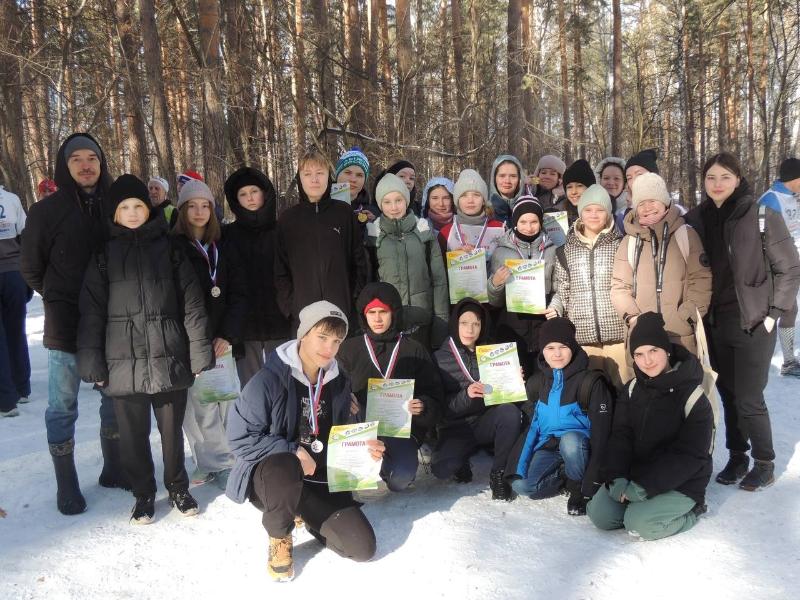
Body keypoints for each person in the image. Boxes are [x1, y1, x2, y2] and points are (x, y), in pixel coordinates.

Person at [77, 174, 214, 524]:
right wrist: (92, 362)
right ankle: (144, 494)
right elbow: (91, 312)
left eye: (138, 205)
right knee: (134, 437)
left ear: (149, 208)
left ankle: (178, 487)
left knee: (172, 433)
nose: (133, 212)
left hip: (168, 355)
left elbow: (192, 304)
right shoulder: (103, 255)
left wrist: (198, 352)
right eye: (125, 207)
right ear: (115, 213)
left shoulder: (169, 249)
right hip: (122, 361)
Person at [226, 301, 384, 581]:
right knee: (285, 466)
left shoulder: (338, 380)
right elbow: (239, 437)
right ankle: (279, 534)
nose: (329, 348)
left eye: (336, 341)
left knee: (362, 548)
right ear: (303, 335)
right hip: (273, 478)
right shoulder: (269, 380)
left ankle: (306, 513)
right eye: (322, 337)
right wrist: (292, 450)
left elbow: (341, 432)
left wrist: (364, 446)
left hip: (319, 478)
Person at [21, 133, 125, 515]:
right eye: (76, 159)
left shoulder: (117, 201)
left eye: (92, 158)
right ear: (64, 167)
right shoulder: (46, 211)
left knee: (114, 398)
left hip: (113, 320)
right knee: (62, 405)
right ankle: (66, 484)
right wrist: (58, 293)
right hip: (66, 323)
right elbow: (31, 267)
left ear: (101, 162)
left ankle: (114, 468)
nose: (86, 165)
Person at [685, 153, 800, 491]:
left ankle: (764, 462)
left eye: (724, 177)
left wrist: (774, 313)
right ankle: (738, 456)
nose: (717, 184)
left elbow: (790, 268)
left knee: (749, 396)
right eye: (710, 178)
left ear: (737, 178)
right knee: (727, 393)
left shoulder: (760, 214)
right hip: (714, 321)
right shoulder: (696, 219)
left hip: (752, 320)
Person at [587, 312, 713, 541]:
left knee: (640, 524)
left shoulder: (693, 395)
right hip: (637, 475)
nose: (647, 360)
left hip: (681, 480)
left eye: (654, 351)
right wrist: (616, 477)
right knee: (600, 516)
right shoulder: (632, 388)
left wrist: (646, 486)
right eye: (639, 354)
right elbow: (620, 436)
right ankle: (638, 505)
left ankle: (693, 512)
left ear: (667, 350)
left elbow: (691, 455)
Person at [171, 179, 246, 487]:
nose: (200, 212)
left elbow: (240, 293)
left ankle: (229, 459)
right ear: (182, 210)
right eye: (192, 206)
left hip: (222, 342)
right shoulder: (172, 247)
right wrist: (192, 340)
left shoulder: (225, 244)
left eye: (205, 206)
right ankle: (206, 460)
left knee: (226, 401)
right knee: (198, 407)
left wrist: (227, 334)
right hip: (191, 342)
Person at [338, 282, 443, 492]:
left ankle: (389, 467)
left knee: (400, 479)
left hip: (400, 430)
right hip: (360, 428)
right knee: (351, 482)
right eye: (372, 312)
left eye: (383, 312)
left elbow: (435, 394)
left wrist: (423, 406)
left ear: (393, 313)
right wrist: (343, 400)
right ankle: (357, 467)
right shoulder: (349, 349)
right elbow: (330, 390)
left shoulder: (413, 349)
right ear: (364, 316)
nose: (377, 319)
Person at [510, 318, 613, 515]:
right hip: (549, 446)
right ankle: (564, 476)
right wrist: (513, 384)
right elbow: (527, 420)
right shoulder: (537, 382)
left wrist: (591, 481)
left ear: (572, 347)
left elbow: (602, 432)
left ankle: (577, 485)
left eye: (563, 347)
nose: (557, 354)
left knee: (570, 441)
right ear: (542, 350)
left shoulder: (589, 381)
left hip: (580, 446)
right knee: (522, 486)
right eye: (550, 348)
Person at [432, 298, 523, 501]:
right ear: (455, 324)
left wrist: (513, 379)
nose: (470, 329)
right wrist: (466, 396)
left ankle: (499, 474)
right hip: (455, 426)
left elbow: (503, 396)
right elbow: (439, 409)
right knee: (442, 468)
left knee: (509, 412)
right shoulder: (439, 358)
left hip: (484, 421)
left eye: (476, 323)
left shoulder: (492, 353)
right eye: (464, 323)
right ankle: (461, 458)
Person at [611, 173, 711, 355]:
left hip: (681, 336)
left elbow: (701, 279)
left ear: (665, 202)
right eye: (641, 203)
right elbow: (619, 286)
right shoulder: (629, 242)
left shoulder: (685, 234)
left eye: (653, 201)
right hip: (642, 339)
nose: (647, 207)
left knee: (682, 381)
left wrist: (688, 316)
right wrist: (633, 319)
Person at [274, 149, 368, 331]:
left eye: (320, 173)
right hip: (303, 316)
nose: (314, 179)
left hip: (342, 312)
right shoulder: (288, 219)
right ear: (300, 178)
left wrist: (353, 300)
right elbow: (280, 270)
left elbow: (359, 263)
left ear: (328, 177)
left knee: (342, 360)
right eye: (307, 174)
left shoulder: (344, 213)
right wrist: (291, 307)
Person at [547, 184, 631, 388]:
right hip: (583, 337)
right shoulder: (565, 250)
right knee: (591, 393)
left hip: (618, 335)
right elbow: (563, 288)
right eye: (588, 209)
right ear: (580, 212)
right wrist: (555, 307)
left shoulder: (623, 244)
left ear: (608, 213)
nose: (594, 215)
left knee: (623, 390)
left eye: (600, 210)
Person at [223, 167, 291, 387]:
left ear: (265, 193)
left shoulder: (282, 231)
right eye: (243, 194)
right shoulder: (227, 235)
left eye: (254, 191)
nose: (250, 197)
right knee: (251, 389)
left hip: (281, 322)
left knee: (284, 385)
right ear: (235, 200)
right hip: (245, 328)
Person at [367, 173, 449, 347]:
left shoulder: (423, 231)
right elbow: (369, 281)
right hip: (388, 322)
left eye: (398, 200)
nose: (394, 207)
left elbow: (439, 280)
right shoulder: (373, 236)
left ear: (406, 200)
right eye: (387, 202)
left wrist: (440, 323)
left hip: (421, 320)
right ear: (380, 204)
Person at [487, 197, 556, 375]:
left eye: (534, 221)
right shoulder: (501, 252)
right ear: (515, 222)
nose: (529, 226)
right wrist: (495, 283)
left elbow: (558, 286)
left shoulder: (551, 250)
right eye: (523, 221)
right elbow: (495, 302)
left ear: (540, 222)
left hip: (543, 324)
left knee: (543, 378)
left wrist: (555, 306)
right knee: (518, 378)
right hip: (513, 326)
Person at [757, 157, 800, 376]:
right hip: (773, 268)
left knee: (790, 308)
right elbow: (759, 236)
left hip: (788, 266)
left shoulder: (792, 198)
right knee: (775, 311)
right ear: (795, 178)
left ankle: (789, 361)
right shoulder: (770, 200)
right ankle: (760, 360)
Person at [0, 184, 31, 417]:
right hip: (13, 274)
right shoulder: (11, 199)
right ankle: (22, 387)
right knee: (16, 331)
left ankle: (6, 399)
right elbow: (26, 235)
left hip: (10, 271)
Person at [439, 169, 505, 261]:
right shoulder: (446, 232)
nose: (470, 200)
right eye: (464, 195)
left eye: (476, 195)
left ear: (483, 201)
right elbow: (438, 269)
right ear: (457, 201)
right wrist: (453, 257)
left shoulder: (500, 229)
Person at [334, 147, 379, 226]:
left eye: (359, 175)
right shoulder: (319, 205)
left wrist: (372, 227)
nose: (353, 179)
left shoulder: (372, 214)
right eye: (348, 173)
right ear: (337, 175)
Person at [617, 149, 660, 232]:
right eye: (629, 178)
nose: (634, 181)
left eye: (639, 174)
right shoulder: (623, 217)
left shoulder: (677, 212)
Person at [549, 159, 596, 226]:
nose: (573, 192)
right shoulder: (557, 212)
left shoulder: (601, 212)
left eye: (579, 186)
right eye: (569, 187)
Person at [489, 154, 525, 225]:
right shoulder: (486, 212)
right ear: (494, 179)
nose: (507, 181)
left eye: (513, 176)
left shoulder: (528, 207)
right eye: (502, 176)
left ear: (519, 179)